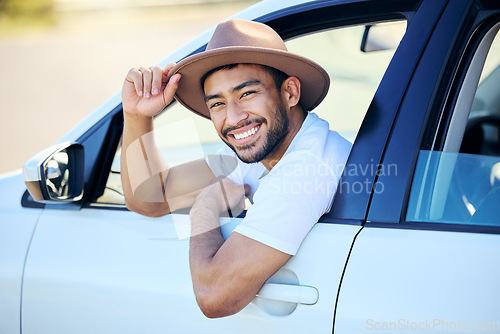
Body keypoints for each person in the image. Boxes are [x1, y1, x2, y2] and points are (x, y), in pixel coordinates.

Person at [121, 19, 352, 318]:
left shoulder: (308, 168)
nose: (233, 118)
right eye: (217, 104)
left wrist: (204, 209)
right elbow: (149, 198)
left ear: (290, 93)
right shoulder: (262, 148)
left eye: (246, 94)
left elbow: (213, 297)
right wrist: (137, 115)